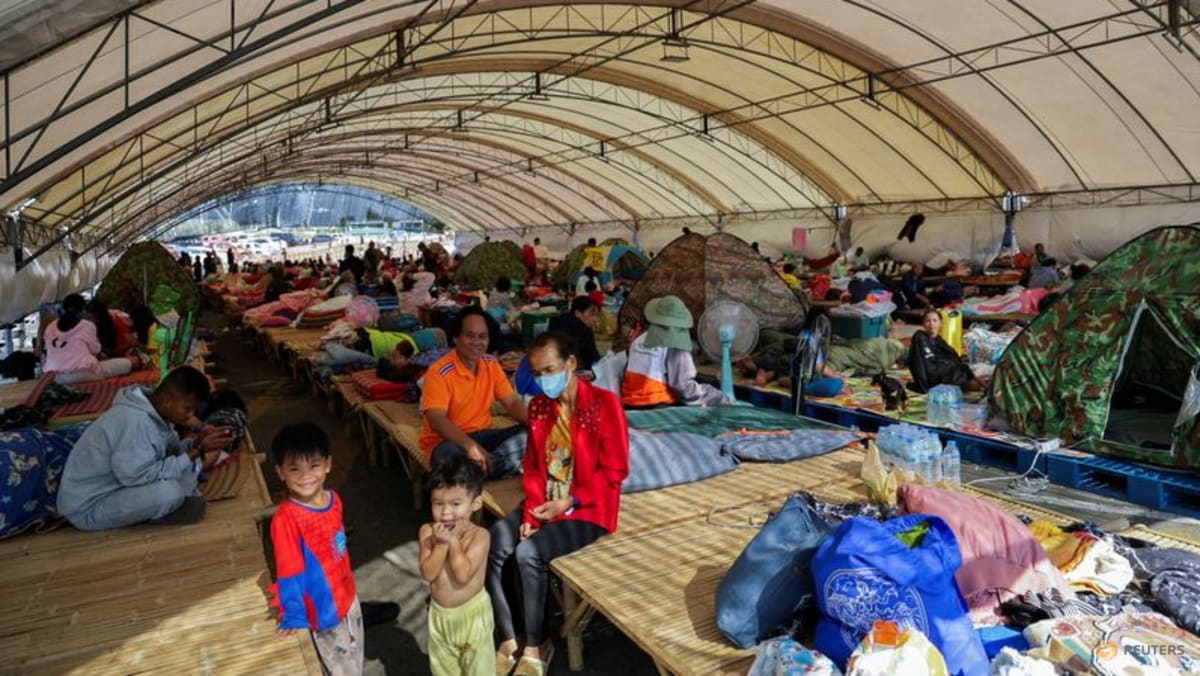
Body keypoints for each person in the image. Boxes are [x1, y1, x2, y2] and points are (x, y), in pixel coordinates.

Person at [489, 332, 630, 676]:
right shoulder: (539, 407)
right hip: (547, 500)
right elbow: (534, 466)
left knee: (528, 553)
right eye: (537, 373)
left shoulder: (604, 404)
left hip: (589, 507)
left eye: (549, 370)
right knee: (496, 541)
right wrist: (531, 512)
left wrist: (570, 499)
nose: (543, 380)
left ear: (571, 364)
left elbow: (615, 471)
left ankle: (538, 643)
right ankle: (510, 636)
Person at [57, 366, 232, 531]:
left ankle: (164, 506)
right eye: (187, 408)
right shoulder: (135, 421)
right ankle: (160, 510)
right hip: (88, 507)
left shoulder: (152, 412)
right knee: (170, 492)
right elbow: (137, 477)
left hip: (119, 484)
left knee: (187, 468)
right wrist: (197, 450)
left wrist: (196, 445)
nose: (190, 416)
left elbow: (165, 454)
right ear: (168, 399)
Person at [269, 423, 363, 676]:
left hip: (348, 599)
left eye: (314, 465)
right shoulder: (286, 520)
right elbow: (288, 572)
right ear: (280, 472)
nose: (305, 476)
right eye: (294, 469)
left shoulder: (334, 500)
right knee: (341, 670)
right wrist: (294, 614)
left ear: (328, 464)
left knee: (355, 659)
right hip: (324, 612)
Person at [419, 307, 528, 474]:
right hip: (448, 442)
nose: (476, 342)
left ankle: (487, 466)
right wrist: (470, 447)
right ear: (456, 337)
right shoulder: (439, 372)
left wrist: (537, 426)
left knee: (532, 434)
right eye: (469, 336)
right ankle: (496, 465)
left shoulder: (491, 364)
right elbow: (437, 420)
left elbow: (512, 402)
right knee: (447, 458)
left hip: (485, 436)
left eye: (482, 337)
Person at [419, 456, 493, 676]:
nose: (446, 513)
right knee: (444, 670)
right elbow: (428, 573)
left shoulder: (480, 536)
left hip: (473, 616)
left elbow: (462, 575)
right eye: (438, 503)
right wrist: (441, 545)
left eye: (455, 504)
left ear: (475, 503)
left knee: (479, 670)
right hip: (440, 616)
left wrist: (452, 542)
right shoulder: (427, 532)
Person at [621, 295, 729, 407]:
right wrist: (718, 396)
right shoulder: (676, 344)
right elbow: (683, 387)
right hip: (657, 404)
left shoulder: (639, 339)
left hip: (629, 403)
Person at [42, 293, 133, 384]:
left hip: (55, 377)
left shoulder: (50, 327)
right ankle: (137, 361)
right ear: (82, 310)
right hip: (84, 373)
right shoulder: (87, 325)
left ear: (63, 308)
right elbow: (96, 350)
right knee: (126, 363)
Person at [907, 309, 983, 393]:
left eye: (935, 321)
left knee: (976, 377)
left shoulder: (938, 340)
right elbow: (921, 366)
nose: (932, 324)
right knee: (974, 385)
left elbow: (954, 358)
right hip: (936, 377)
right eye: (928, 321)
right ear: (923, 324)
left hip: (946, 372)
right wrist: (924, 386)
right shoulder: (920, 338)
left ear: (940, 323)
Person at [548, 296, 602, 371]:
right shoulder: (584, 331)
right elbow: (594, 359)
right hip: (576, 370)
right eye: (592, 314)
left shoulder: (556, 321)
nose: (595, 319)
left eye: (596, 315)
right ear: (577, 313)